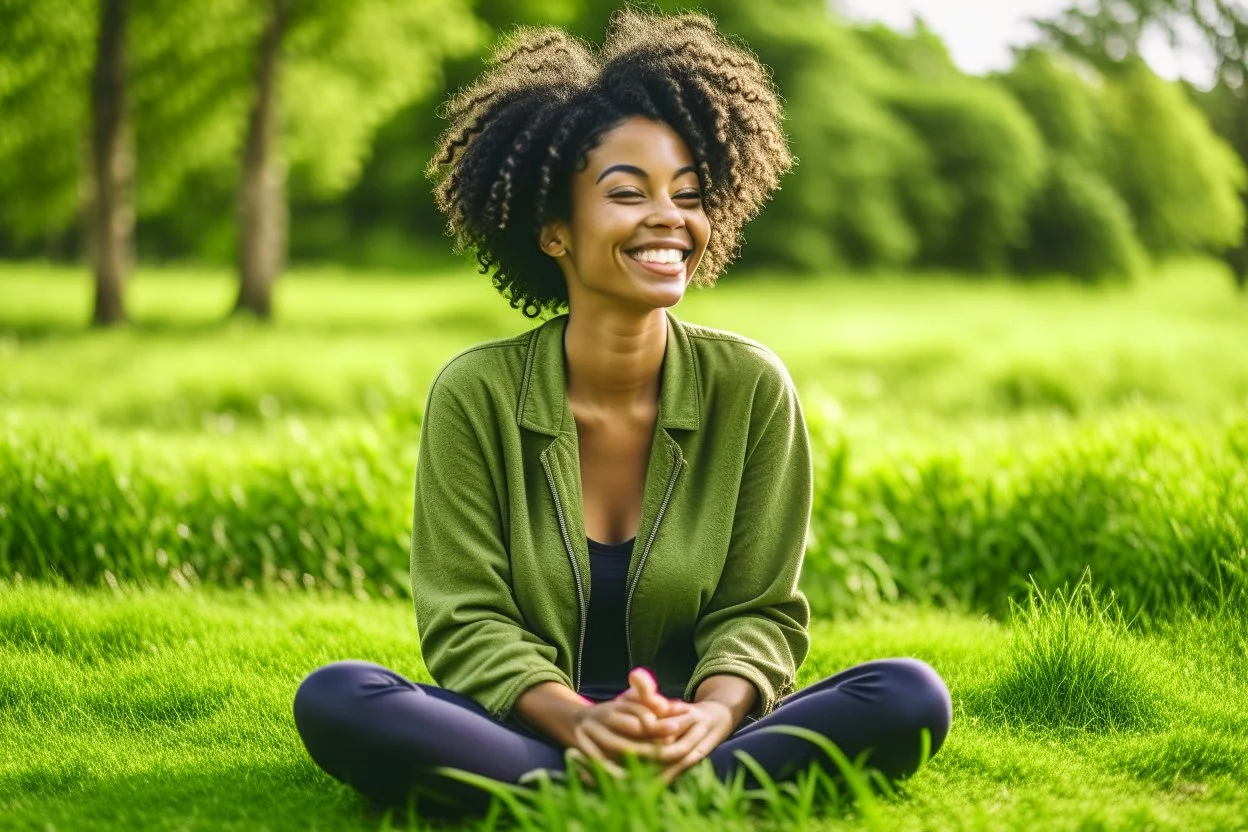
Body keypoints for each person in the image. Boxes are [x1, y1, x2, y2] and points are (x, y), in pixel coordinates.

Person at [292, 8, 951, 813]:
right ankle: (658, 793)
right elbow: (467, 620)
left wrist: (709, 718)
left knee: (908, 694)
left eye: (689, 195)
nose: (670, 216)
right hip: (535, 727)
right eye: (628, 193)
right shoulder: (476, 393)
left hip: (702, 730)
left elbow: (758, 612)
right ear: (555, 232)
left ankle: (599, 793)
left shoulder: (750, 386)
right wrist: (582, 722)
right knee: (338, 696)